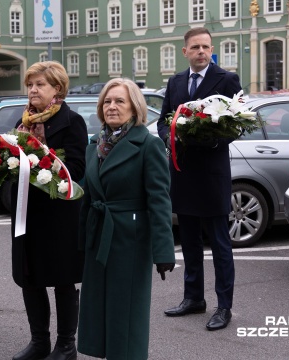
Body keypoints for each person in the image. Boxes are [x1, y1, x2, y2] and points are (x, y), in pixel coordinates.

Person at [77, 78, 175, 360]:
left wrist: (163, 251)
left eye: (120, 101)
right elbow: (88, 196)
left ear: (135, 107)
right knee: (100, 310)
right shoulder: (95, 143)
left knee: (126, 312)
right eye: (107, 101)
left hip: (130, 240)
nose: (112, 106)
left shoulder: (148, 145)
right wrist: (81, 242)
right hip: (99, 237)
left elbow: (159, 200)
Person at [157, 27, 241, 331]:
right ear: (185, 51)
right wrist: (170, 138)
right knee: (189, 242)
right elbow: (163, 120)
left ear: (211, 48)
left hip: (212, 175)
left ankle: (224, 306)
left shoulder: (227, 79)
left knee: (220, 244)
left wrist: (207, 140)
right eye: (195, 47)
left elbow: (235, 126)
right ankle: (193, 298)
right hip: (182, 174)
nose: (201, 52)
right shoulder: (176, 81)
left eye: (205, 46)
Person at [10, 61, 87, 360]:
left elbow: (78, 169)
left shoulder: (72, 121)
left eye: (40, 84)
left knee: (63, 279)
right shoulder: (23, 123)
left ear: (57, 88)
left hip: (60, 216)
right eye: (30, 84)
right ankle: (39, 341)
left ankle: (66, 344)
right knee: (30, 277)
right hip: (27, 212)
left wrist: (45, 162)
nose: (33, 90)